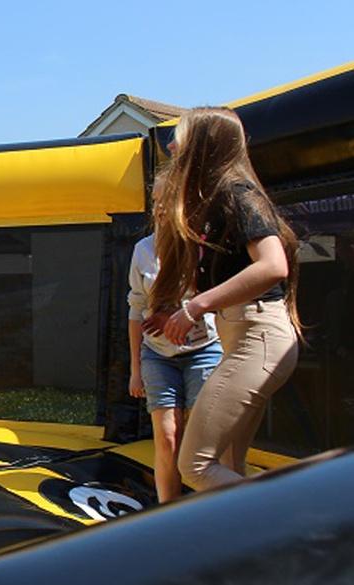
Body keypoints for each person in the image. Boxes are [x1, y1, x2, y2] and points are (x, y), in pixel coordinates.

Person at [145, 107, 300, 492]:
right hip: (243, 335)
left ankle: (300, 522)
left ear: (204, 144)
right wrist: (174, 311)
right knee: (229, 464)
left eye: (180, 137)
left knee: (195, 465)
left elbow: (272, 265)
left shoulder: (239, 193)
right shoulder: (214, 201)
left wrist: (195, 307)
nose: (170, 145)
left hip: (258, 336)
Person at [127, 229, 222, 502]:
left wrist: (181, 313)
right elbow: (136, 308)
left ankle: (207, 510)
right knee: (167, 437)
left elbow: (220, 295)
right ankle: (167, 513)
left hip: (203, 349)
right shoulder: (143, 249)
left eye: (165, 204)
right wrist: (135, 370)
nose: (160, 212)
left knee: (200, 440)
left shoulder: (202, 244)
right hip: (157, 354)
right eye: (155, 204)